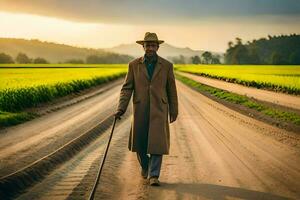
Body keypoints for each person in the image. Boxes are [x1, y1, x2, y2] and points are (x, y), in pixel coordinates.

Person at [114, 32, 178, 186]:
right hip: (140, 107)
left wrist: (174, 110)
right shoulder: (134, 65)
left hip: (159, 108)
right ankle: (145, 165)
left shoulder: (167, 66)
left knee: (158, 142)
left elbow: (171, 89)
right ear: (143, 46)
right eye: (147, 45)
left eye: (153, 45)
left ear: (157, 47)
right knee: (140, 142)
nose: (150, 48)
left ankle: (154, 175)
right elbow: (127, 88)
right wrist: (121, 109)